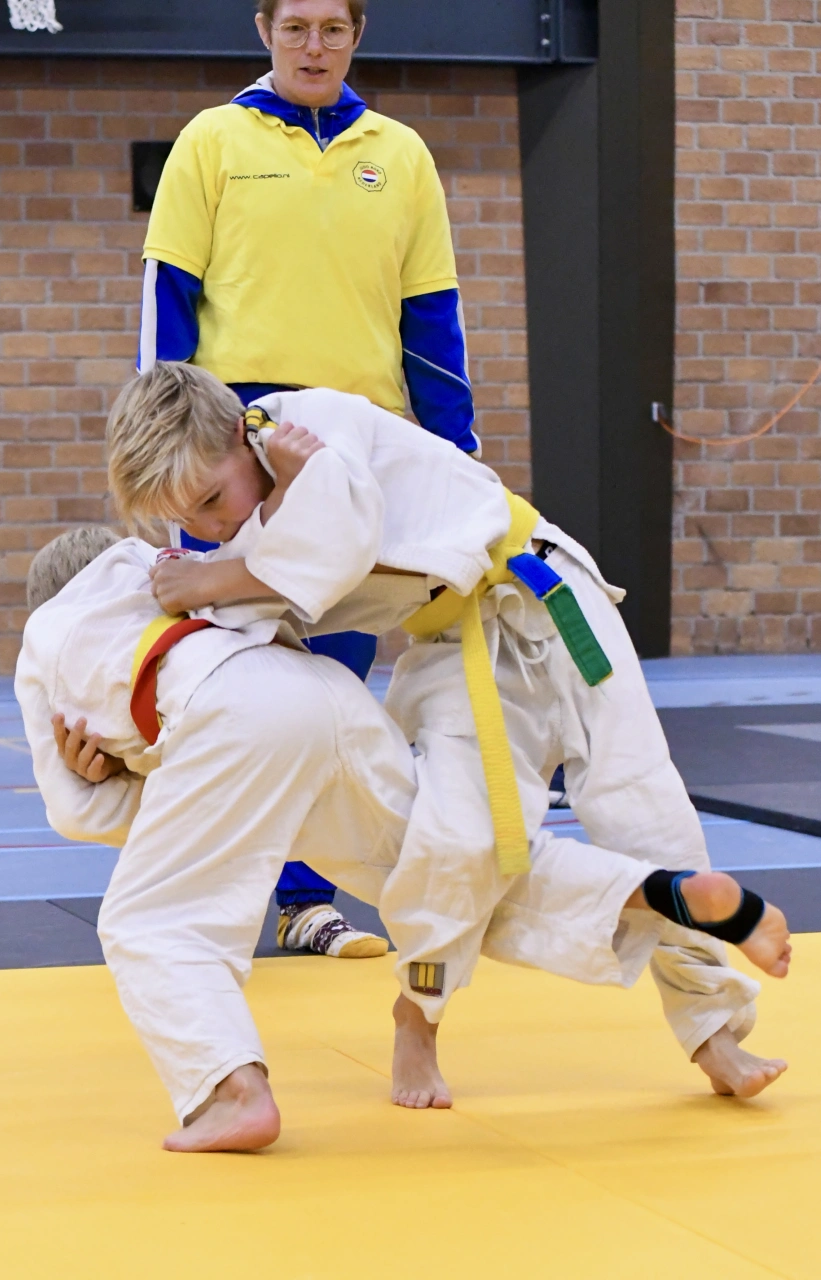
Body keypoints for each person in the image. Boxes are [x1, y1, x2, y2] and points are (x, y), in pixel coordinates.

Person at [106, 363, 792, 1109]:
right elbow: (246, 630)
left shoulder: (309, 427)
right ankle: (418, 1012)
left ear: (242, 436)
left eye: (212, 499)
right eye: (188, 519)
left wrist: (220, 571)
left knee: (646, 810)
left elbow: (334, 546)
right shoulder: (246, 542)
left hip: (549, 592)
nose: (210, 528)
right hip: (453, 644)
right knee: (457, 841)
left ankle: (713, 1028)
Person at [19, 522, 786, 1152]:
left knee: (150, 923)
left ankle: (230, 1090)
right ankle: (650, 890)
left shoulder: (48, 634)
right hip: (327, 699)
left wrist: (113, 779)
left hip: (236, 726)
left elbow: (78, 814)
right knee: (452, 868)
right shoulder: (171, 572)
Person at [137, 0, 476, 951]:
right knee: (223, 678)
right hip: (232, 450)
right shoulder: (211, 140)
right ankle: (196, 895)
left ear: (356, 35)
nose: (314, 46)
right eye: (296, 28)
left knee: (333, 681)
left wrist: (459, 455)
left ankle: (305, 902)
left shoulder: (400, 154)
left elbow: (432, 320)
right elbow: (167, 303)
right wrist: (168, 458)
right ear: (265, 30)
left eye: (332, 28)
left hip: (353, 454)